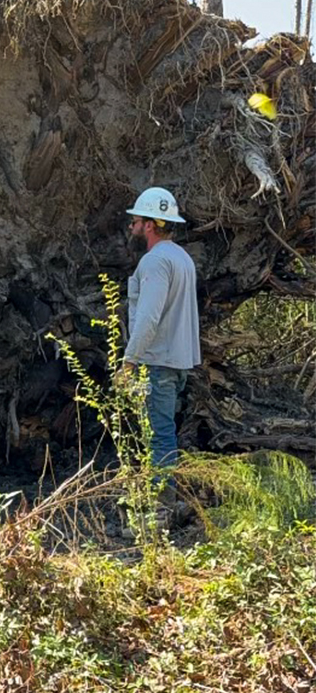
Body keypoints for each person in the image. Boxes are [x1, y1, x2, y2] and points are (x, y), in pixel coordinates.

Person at [122, 187, 201, 505]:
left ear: (150, 225)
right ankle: (160, 498)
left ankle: (160, 506)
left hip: (157, 361)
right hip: (176, 360)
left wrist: (129, 360)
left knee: (159, 434)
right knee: (162, 430)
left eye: (136, 221)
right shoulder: (181, 258)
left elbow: (148, 318)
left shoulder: (154, 262)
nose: (132, 226)